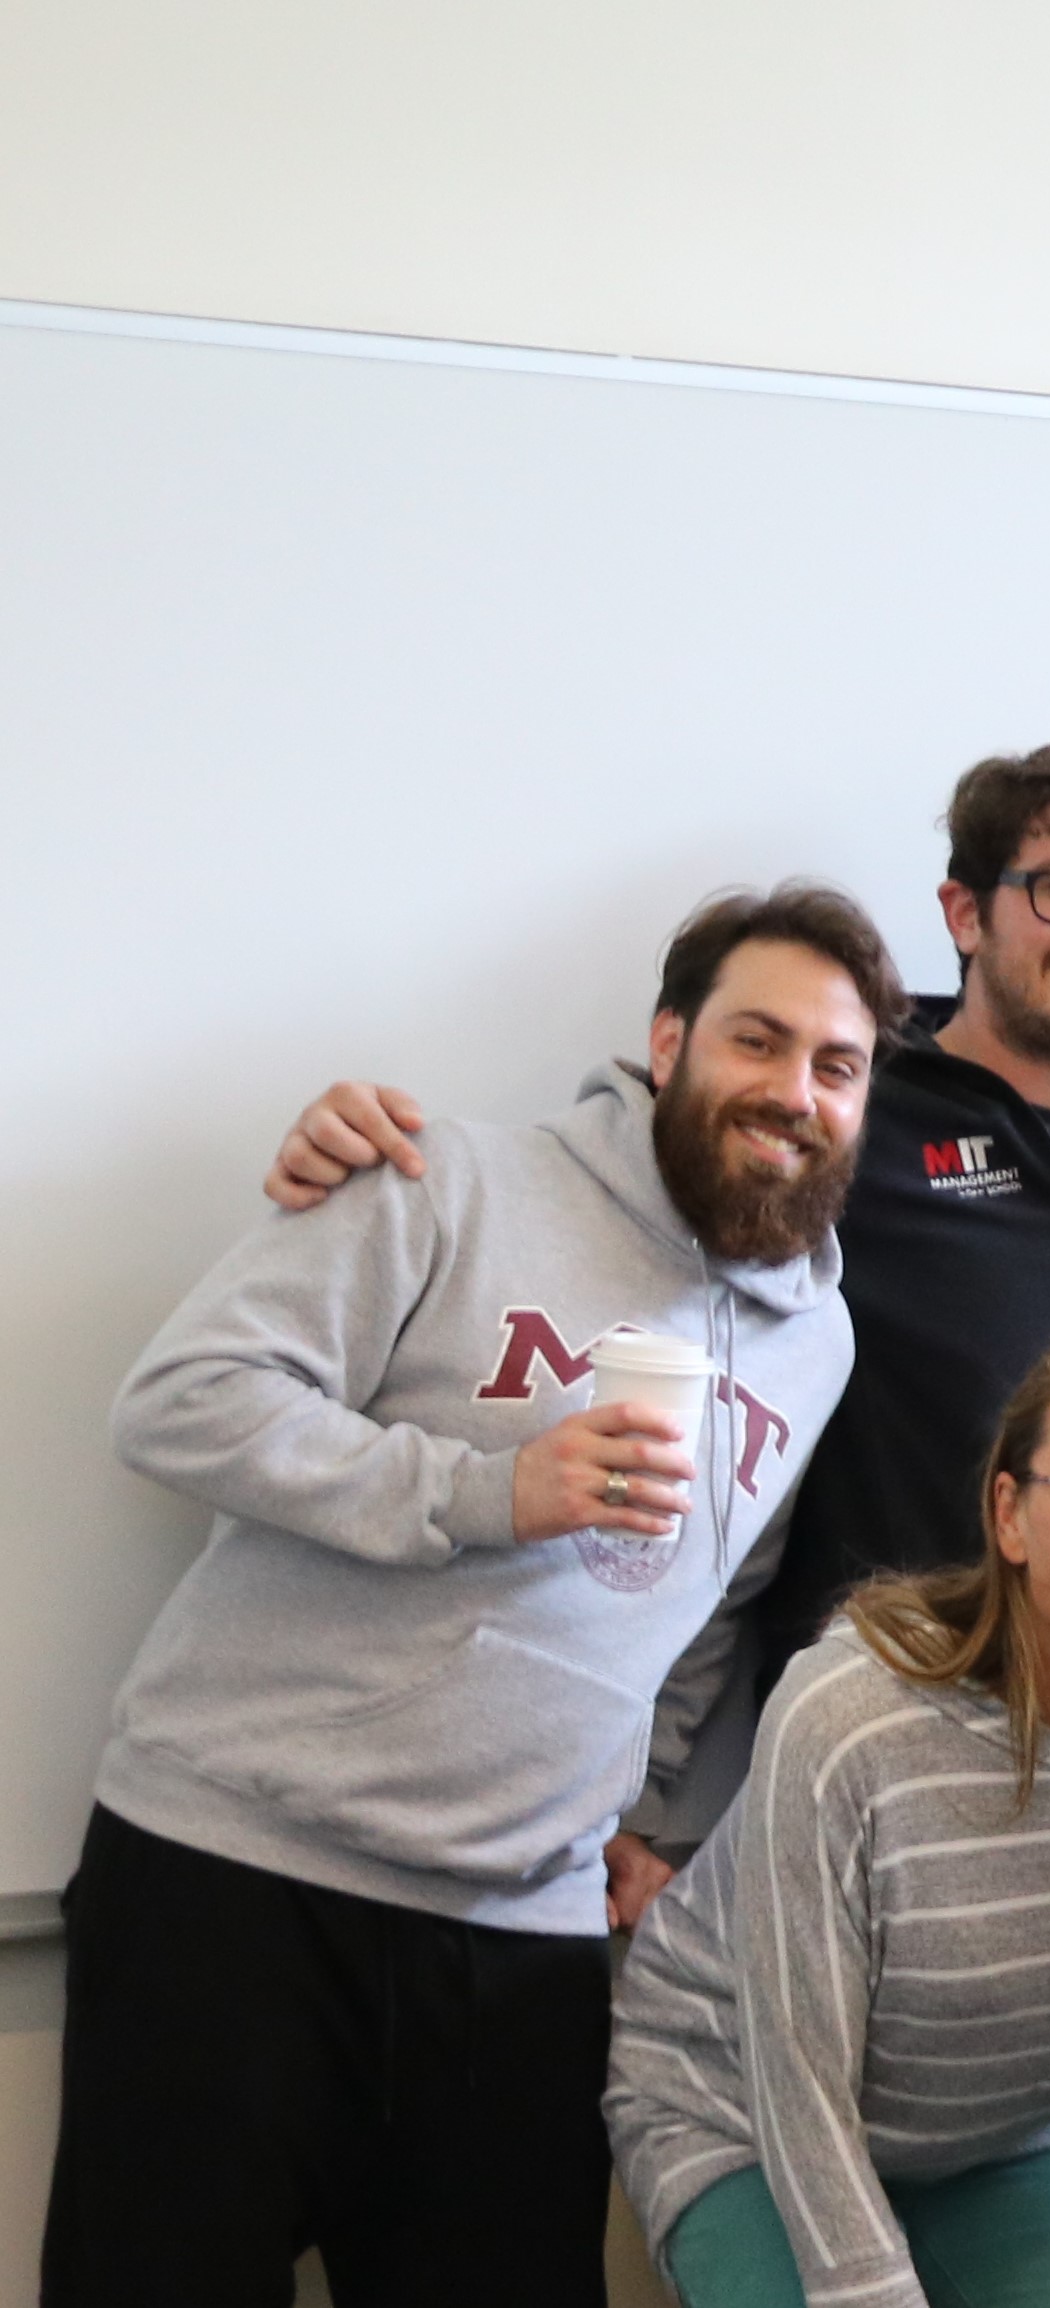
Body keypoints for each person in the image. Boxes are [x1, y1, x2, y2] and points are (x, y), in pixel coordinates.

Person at [50, 885, 887, 2304]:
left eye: (835, 1065)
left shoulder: (819, 1342)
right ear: (668, 1041)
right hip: (235, 1884)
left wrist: (650, 1802)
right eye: (757, 1040)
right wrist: (483, 1493)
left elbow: (721, 1595)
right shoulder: (442, 1179)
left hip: (523, 1942)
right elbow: (183, 1403)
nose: (793, 1091)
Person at [256, 745, 1050, 1830]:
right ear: (965, 913)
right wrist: (351, 1131)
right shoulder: (828, 1107)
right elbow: (618, 1182)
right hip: (877, 1754)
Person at [609, 1320, 1050, 2307]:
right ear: (1010, 1512)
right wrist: (872, 2291)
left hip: (1020, 2125)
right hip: (744, 2117)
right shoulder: (848, 1716)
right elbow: (796, 2072)